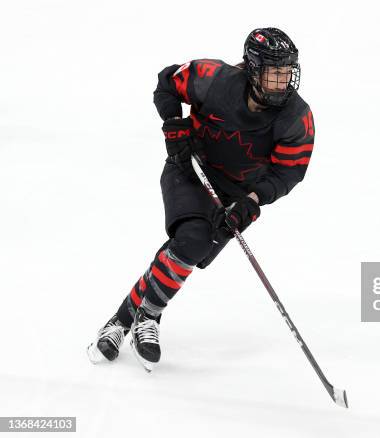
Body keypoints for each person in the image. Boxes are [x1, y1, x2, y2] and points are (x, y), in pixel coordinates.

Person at [87, 27, 315, 372]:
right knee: (192, 240)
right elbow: (167, 82)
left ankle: (119, 323)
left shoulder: (296, 117)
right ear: (253, 69)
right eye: (274, 73)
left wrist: (251, 202)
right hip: (190, 170)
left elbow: (288, 173)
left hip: (238, 196)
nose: (282, 82)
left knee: (183, 254)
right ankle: (149, 316)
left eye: (287, 73)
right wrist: (173, 124)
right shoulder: (214, 78)